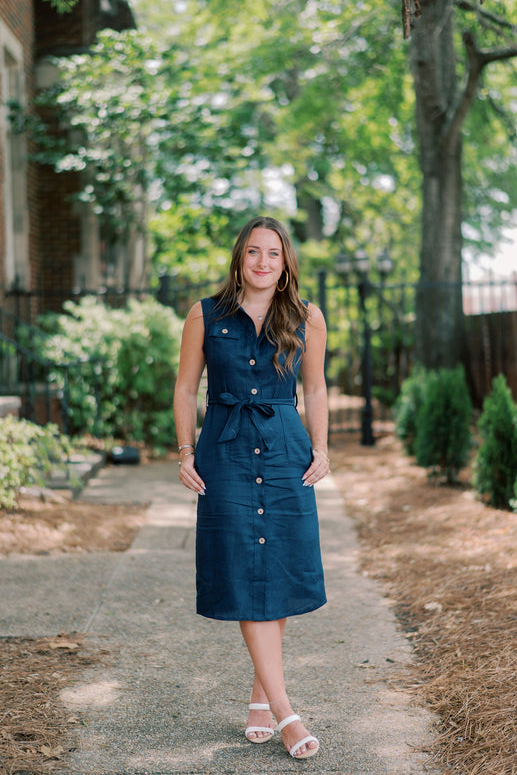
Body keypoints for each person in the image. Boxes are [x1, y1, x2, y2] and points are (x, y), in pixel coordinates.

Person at [173, 216, 329, 760]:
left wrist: (323, 447)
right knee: (244, 566)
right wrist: (185, 450)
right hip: (225, 448)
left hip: (286, 450)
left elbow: (315, 387)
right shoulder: (204, 314)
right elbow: (186, 386)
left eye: (274, 254)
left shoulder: (308, 317)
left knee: (278, 567)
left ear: (286, 264)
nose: (263, 263)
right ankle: (288, 711)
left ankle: (261, 698)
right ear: (240, 258)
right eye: (254, 253)